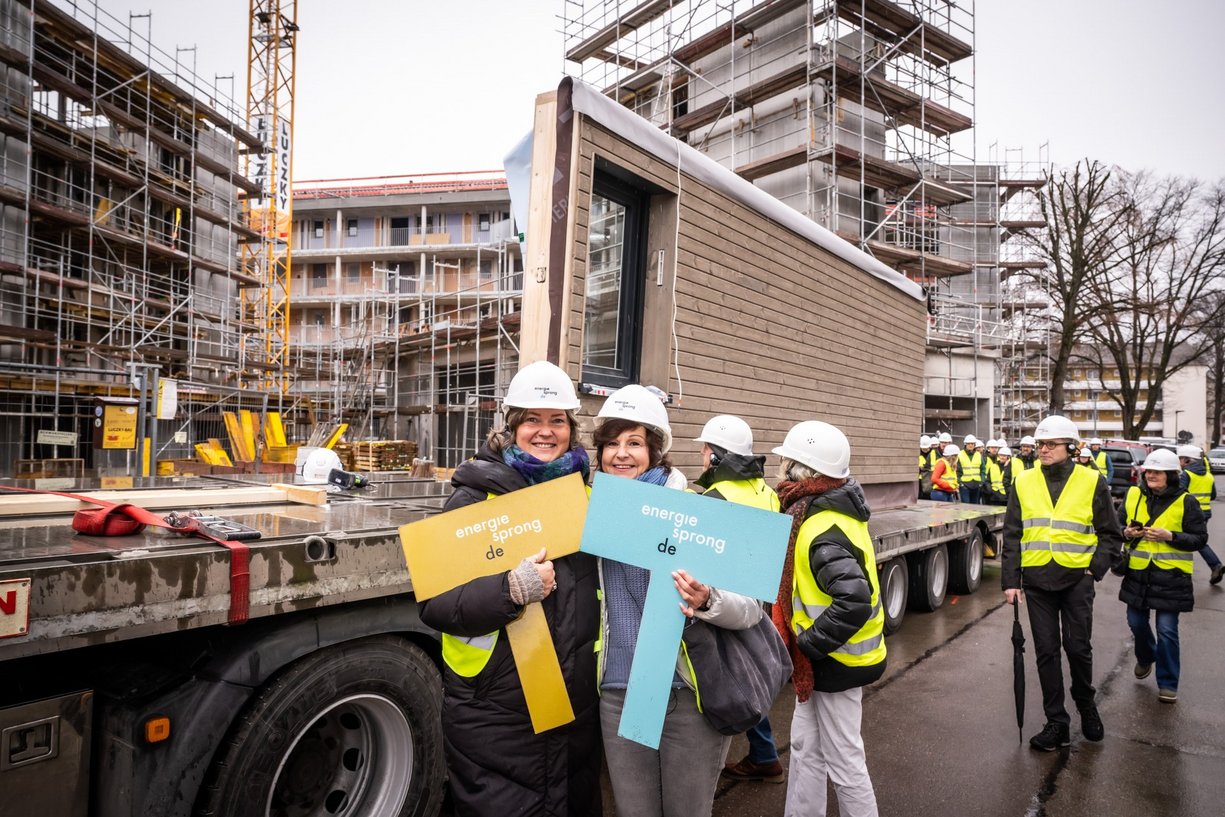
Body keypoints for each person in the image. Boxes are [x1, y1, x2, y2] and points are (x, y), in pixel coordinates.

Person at [418, 360, 602, 816]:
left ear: (571, 428)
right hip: (496, 708)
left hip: (572, 703)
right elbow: (434, 602)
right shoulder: (476, 496)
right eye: (532, 420)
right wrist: (510, 589)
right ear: (511, 425)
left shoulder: (583, 495)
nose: (545, 431)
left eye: (557, 420)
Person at [594, 386, 763, 817]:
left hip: (686, 696)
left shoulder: (696, 511)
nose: (621, 454)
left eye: (634, 443)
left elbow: (751, 608)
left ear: (655, 450)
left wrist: (708, 599)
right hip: (618, 692)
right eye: (611, 443)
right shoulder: (591, 515)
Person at [771, 420, 884, 817]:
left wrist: (807, 646)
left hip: (835, 662)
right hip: (824, 663)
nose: (779, 467)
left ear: (802, 469)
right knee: (805, 749)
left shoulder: (820, 528)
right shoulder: (821, 512)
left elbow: (853, 601)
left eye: (784, 460)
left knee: (844, 761)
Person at [1001, 414, 1122, 751]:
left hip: (1076, 579)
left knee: (1078, 648)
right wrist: (1011, 581)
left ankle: (1086, 705)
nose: (1042, 449)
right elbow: (1012, 534)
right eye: (1039, 444)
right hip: (1037, 580)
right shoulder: (1023, 481)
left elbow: (1111, 534)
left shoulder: (1091, 480)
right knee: (1046, 652)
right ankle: (1057, 722)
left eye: (1050, 444)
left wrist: (1094, 569)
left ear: (1069, 446)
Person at [688, 415, 786, 786]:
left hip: (721, 603)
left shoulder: (716, 499)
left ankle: (703, 781)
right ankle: (764, 754)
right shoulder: (766, 491)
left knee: (726, 682)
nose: (700, 455)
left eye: (704, 450)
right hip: (755, 598)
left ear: (714, 456)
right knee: (748, 673)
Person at [1116, 448, 1207, 703]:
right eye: (1148, 471)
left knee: (1167, 630)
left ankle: (1168, 683)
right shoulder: (1133, 494)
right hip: (1138, 575)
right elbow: (1118, 524)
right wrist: (1127, 533)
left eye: (1157, 472)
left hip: (1171, 578)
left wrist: (1171, 537)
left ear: (1171, 475)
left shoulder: (1186, 501)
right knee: (1136, 623)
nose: (1151, 475)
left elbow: (1200, 539)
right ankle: (1146, 657)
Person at [1176, 444, 1225, 585]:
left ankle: (1215, 565)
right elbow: (1213, 495)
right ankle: (1214, 566)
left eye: (1180, 459)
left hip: (1190, 513)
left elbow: (1179, 493)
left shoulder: (1187, 475)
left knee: (1192, 541)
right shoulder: (1209, 476)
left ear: (1186, 460)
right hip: (1205, 512)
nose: (1179, 462)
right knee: (1196, 540)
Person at [958, 435, 986, 504]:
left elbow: (982, 469)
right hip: (965, 484)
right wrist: (960, 483)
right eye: (968, 444)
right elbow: (957, 470)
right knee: (965, 506)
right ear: (965, 444)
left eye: (972, 444)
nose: (970, 445)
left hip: (976, 484)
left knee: (975, 507)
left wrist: (981, 481)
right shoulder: (960, 454)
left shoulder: (978, 455)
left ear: (974, 445)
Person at [918, 435, 937, 500]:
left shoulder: (934, 453)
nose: (925, 450)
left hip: (931, 478)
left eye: (927, 448)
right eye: (923, 448)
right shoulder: (918, 454)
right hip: (920, 479)